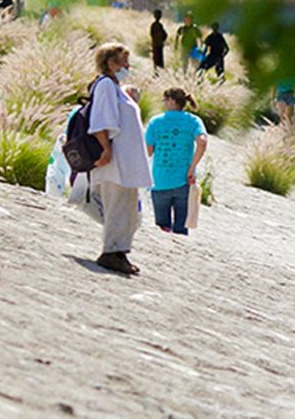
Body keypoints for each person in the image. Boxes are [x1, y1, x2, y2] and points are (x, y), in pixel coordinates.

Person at [87, 43, 153, 275]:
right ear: (111, 63)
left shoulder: (114, 87)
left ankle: (119, 251)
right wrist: (105, 149)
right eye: (123, 62)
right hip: (115, 160)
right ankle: (111, 252)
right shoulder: (105, 85)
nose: (127, 66)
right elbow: (102, 119)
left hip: (123, 161)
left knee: (126, 207)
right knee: (118, 206)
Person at [145, 88, 208, 235]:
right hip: (185, 180)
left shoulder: (156, 121)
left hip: (160, 180)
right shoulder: (193, 121)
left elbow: (148, 151)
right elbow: (202, 142)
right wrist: (192, 167)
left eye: (165, 100)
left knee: (161, 228)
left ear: (171, 101)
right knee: (181, 228)